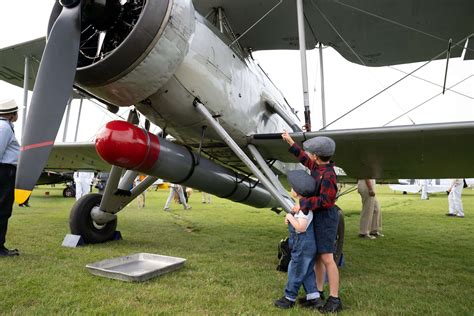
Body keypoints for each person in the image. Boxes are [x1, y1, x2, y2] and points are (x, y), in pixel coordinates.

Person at [282, 131, 342, 313]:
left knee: (327, 258)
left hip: (326, 218)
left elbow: (326, 201)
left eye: (310, 154)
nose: (308, 156)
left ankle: (335, 298)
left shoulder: (329, 175)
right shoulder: (318, 167)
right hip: (317, 215)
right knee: (317, 256)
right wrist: (291, 143)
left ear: (316, 156)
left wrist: (303, 203)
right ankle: (318, 293)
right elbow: (303, 159)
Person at [274, 170, 322, 309]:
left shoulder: (304, 209)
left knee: (295, 270)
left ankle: (289, 298)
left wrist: (290, 218)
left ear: (298, 191)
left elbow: (301, 227)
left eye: (293, 187)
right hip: (305, 246)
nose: (291, 189)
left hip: (303, 246)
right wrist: (291, 216)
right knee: (306, 271)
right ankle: (314, 298)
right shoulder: (302, 207)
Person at [0, 99, 21, 257]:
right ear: (12, 114)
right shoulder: (4, 128)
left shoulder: (5, 127)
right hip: (5, 172)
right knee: (3, 210)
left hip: (5, 171)